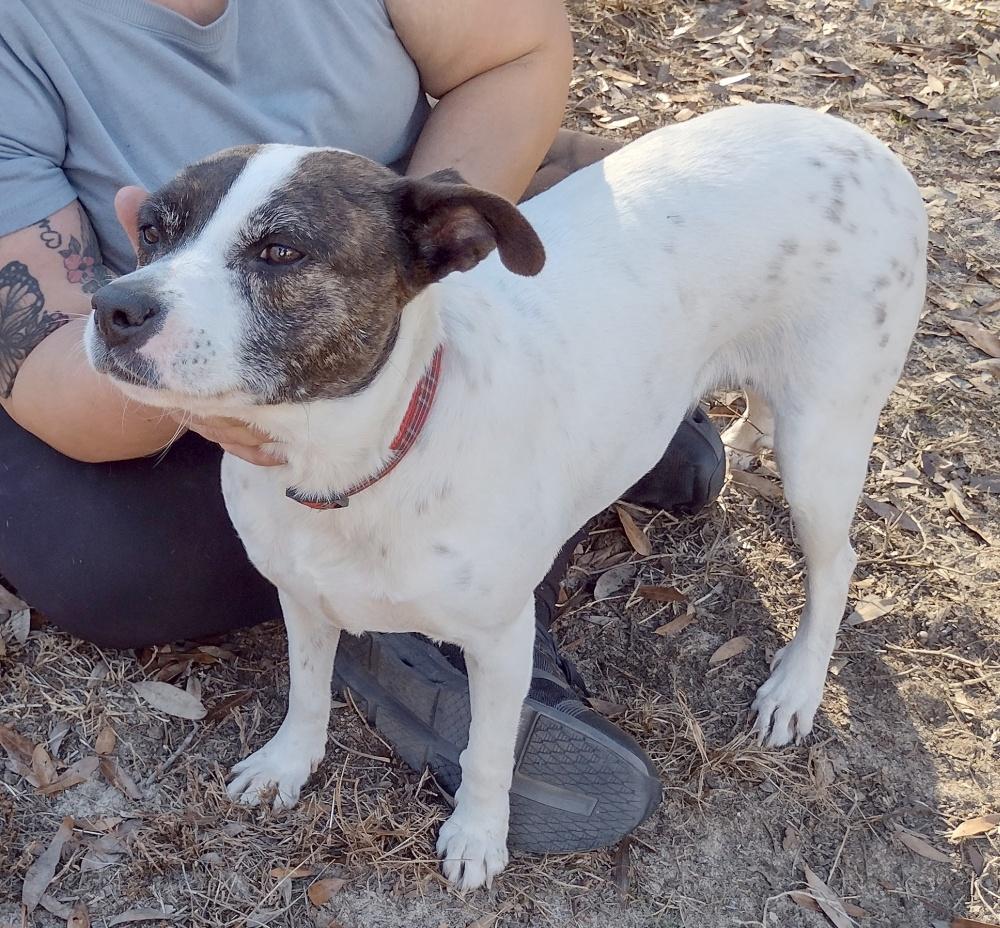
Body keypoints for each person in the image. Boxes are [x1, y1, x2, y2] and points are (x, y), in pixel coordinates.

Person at [0, 0, 725, 852]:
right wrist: (205, 388)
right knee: (111, 566)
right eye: (157, 223)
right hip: (191, 340)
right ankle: (448, 543)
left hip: (421, 223)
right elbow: (44, 355)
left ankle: (575, 443)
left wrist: (413, 254)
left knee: (596, 283)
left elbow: (518, 52)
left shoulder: (419, 238)